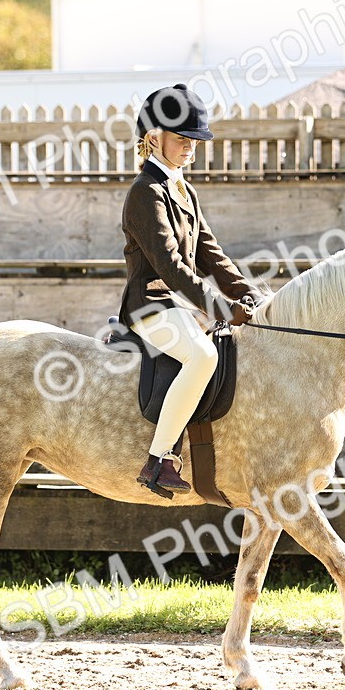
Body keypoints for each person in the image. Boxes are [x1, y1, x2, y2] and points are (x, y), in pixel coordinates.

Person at [117, 84, 267, 495]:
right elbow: (172, 266)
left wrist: (250, 294)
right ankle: (158, 460)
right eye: (182, 138)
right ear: (153, 139)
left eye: (194, 140)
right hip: (149, 305)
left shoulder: (183, 190)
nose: (190, 147)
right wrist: (220, 306)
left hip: (179, 306)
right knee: (202, 356)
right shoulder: (145, 193)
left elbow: (210, 254)